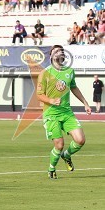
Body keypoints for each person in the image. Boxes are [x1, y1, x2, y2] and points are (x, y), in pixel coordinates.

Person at [37, 45, 91, 179]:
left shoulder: (70, 71)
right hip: (51, 114)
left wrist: (85, 103)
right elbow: (39, 94)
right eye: (54, 51)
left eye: (60, 51)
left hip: (67, 113)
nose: (57, 53)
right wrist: (50, 100)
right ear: (50, 56)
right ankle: (51, 169)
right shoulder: (44, 73)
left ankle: (66, 156)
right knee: (59, 144)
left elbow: (74, 88)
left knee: (80, 140)